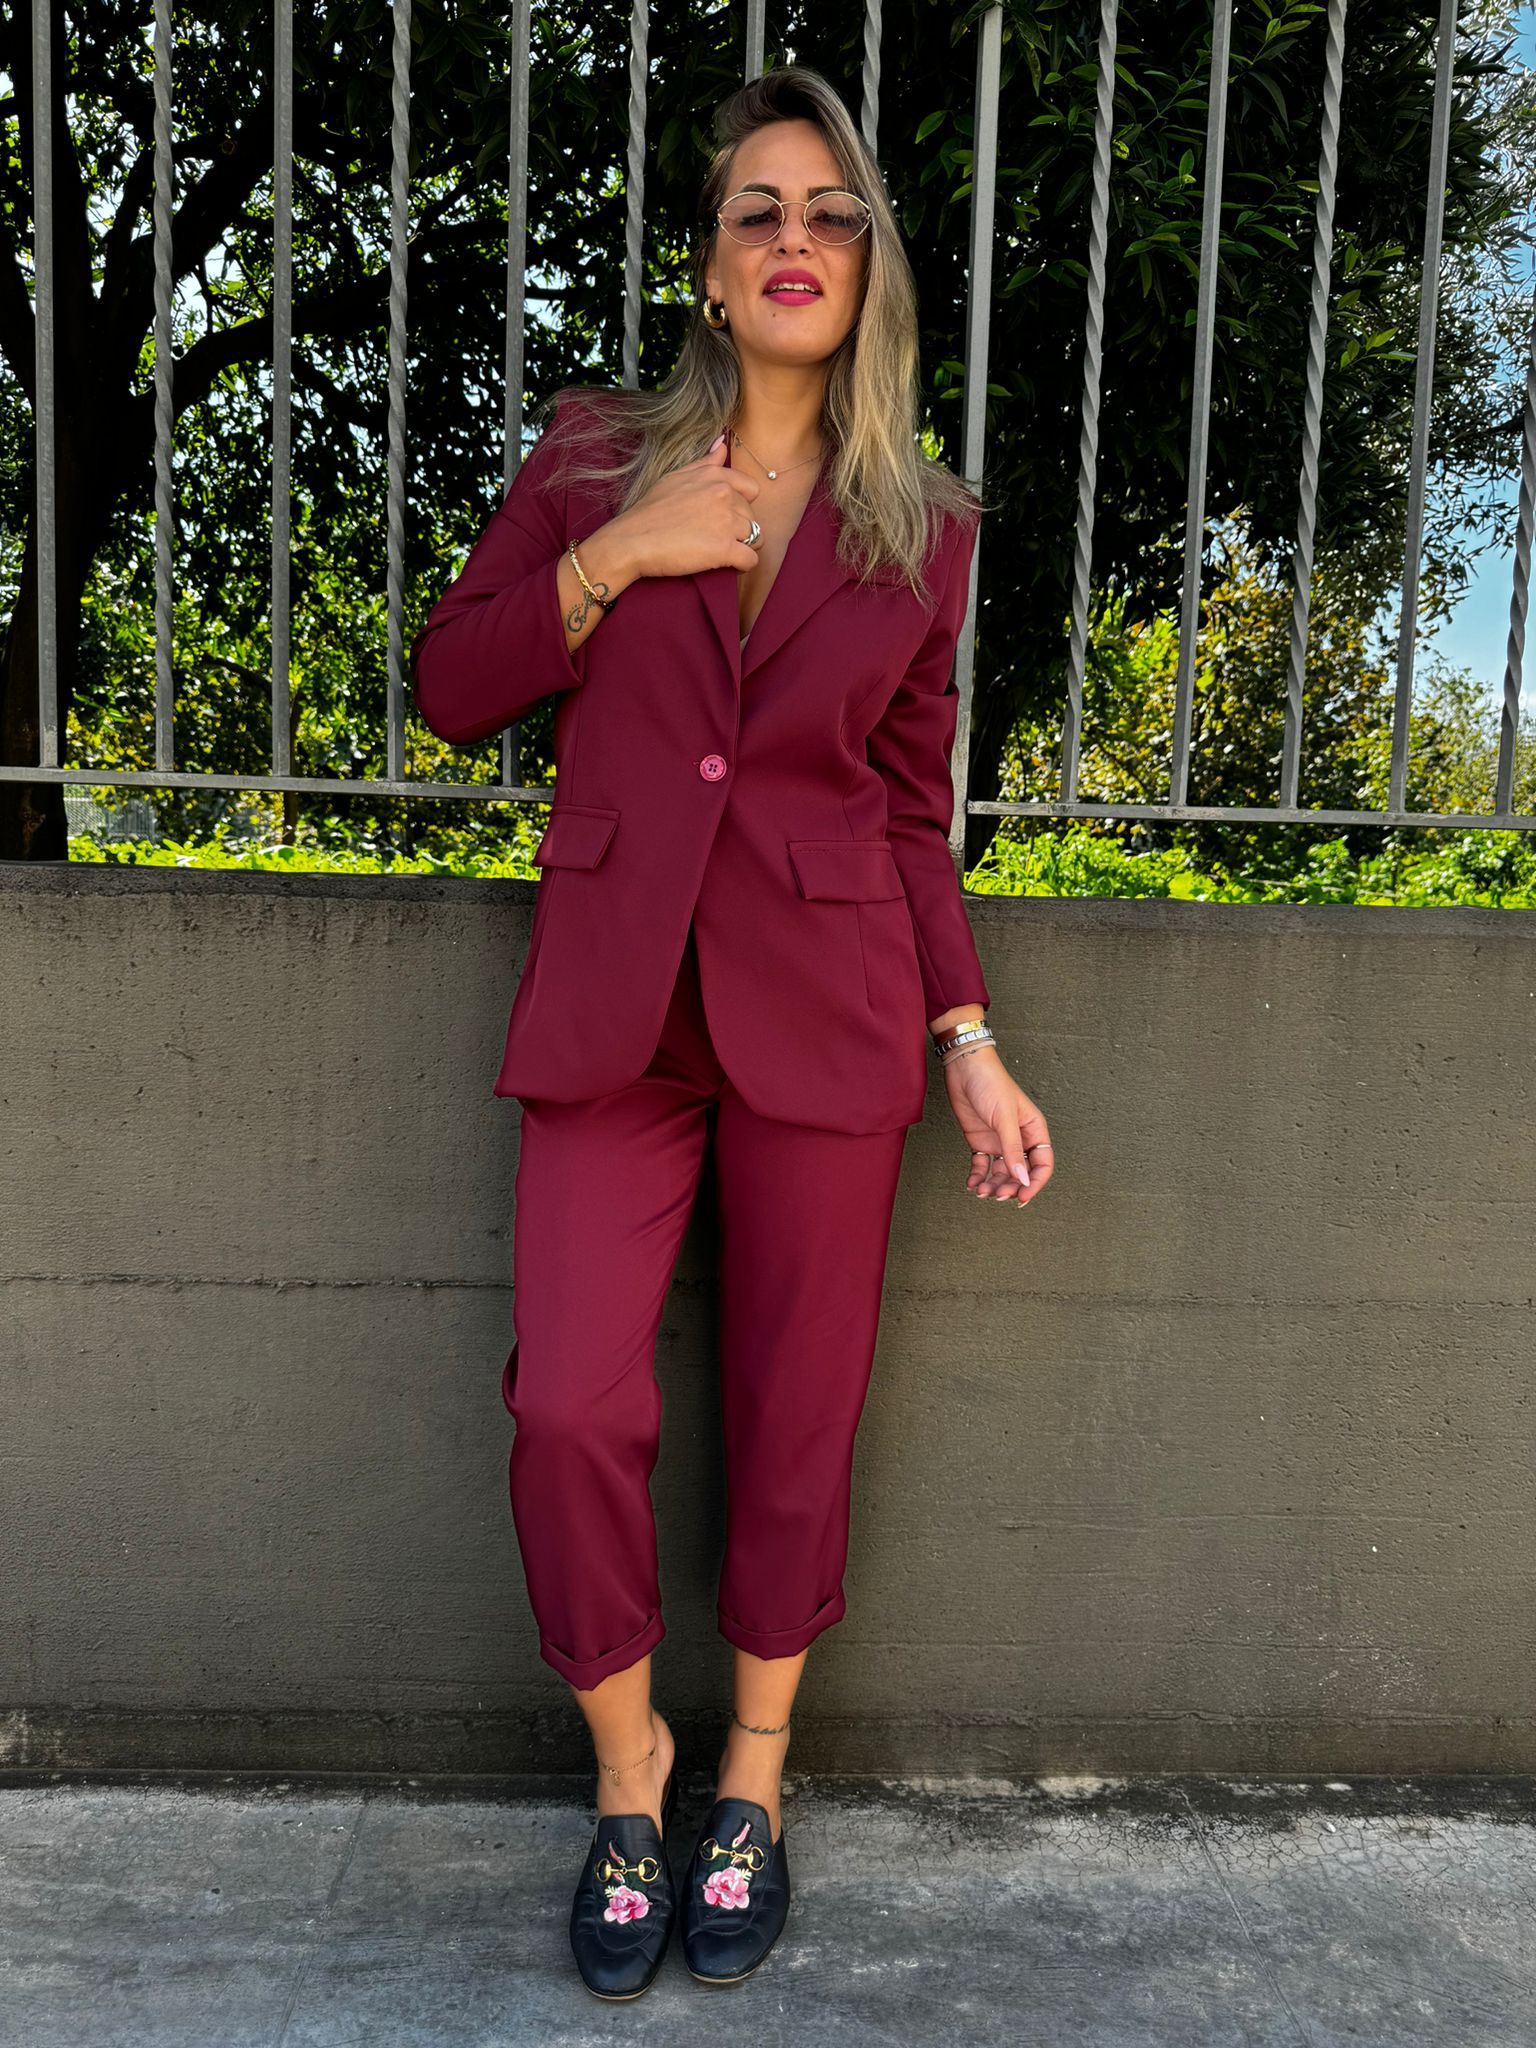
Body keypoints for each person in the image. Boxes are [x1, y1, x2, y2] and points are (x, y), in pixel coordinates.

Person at [411, 61, 1054, 2001]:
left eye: (831, 214)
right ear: (708, 264)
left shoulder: (924, 529)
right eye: (758, 209)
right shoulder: (597, 453)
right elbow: (452, 685)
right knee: (567, 1403)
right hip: (616, 1013)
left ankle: (753, 1786)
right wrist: (619, 557)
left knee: (797, 1417)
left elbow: (913, 814)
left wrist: (967, 1034)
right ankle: (632, 1781)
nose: (795, 238)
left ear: (870, 272)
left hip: (830, 1011)